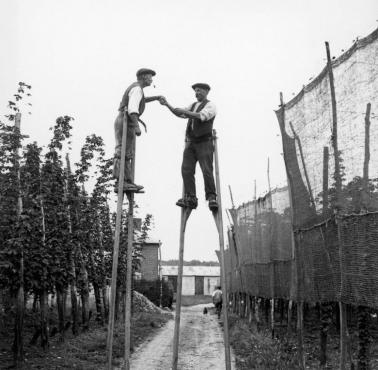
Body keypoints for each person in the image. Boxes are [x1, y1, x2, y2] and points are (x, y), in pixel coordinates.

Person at [159, 83, 218, 211]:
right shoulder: (192, 105)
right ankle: (191, 197)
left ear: (207, 91)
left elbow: (201, 116)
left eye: (200, 91)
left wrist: (185, 112)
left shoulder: (210, 105)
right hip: (191, 143)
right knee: (186, 169)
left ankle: (211, 197)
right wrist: (167, 104)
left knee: (206, 170)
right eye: (196, 91)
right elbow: (180, 113)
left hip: (204, 142)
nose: (197, 93)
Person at [113, 68, 162, 192]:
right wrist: (136, 126)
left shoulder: (137, 89)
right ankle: (121, 181)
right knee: (123, 150)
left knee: (127, 150)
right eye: (150, 77)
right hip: (126, 120)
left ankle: (127, 181)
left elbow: (139, 100)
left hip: (125, 120)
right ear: (144, 77)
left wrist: (156, 98)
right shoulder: (137, 89)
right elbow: (133, 108)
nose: (151, 79)